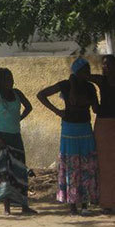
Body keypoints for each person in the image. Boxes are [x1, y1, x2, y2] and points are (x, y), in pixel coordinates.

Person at [37, 57, 100, 215]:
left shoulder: (90, 87)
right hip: (70, 131)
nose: (88, 73)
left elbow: (96, 109)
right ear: (77, 72)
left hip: (85, 129)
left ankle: (85, 204)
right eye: (85, 71)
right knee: (72, 169)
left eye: (89, 71)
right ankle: (72, 205)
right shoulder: (65, 85)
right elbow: (41, 95)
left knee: (86, 167)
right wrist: (57, 111)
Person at [0, 68, 37, 215]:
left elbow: (29, 107)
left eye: (11, 78)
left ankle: (24, 205)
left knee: (20, 171)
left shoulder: (17, 94)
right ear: (0, 81)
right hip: (0, 138)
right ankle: (6, 208)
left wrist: (18, 119)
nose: (11, 81)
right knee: (4, 172)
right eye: (7, 79)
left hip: (15, 136)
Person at [87, 54, 115, 213]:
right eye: (104, 64)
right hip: (103, 126)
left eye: (109, 64)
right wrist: (94, 102)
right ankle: (106, 202)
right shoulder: (101, 81)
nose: (105, 67)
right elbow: (82, 76)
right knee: (104, 166)